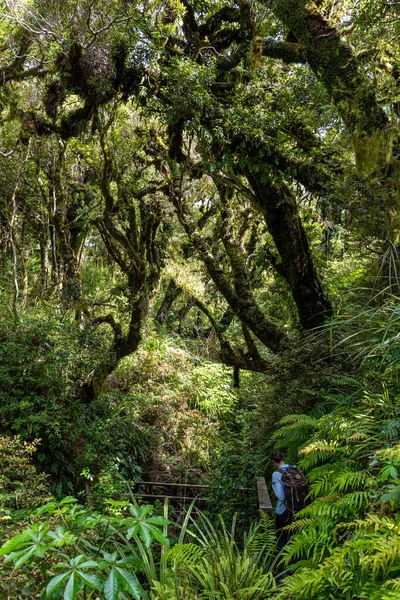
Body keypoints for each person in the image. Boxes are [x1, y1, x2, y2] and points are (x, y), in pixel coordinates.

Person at [270, 449, 292, 548]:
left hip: (284, 511)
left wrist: (273, 486)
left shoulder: (276, 474)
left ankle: (280, 561)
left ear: (273, 461)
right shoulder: (294, 468)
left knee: (281, 539)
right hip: (298, 508)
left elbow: (281, 496)